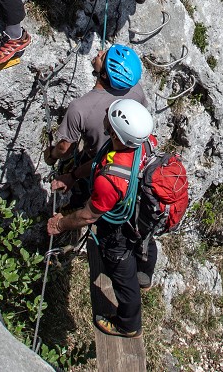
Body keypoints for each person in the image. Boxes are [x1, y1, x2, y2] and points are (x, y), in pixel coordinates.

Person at [46, 98, 158, 339]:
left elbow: (88, 216)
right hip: (144, 214)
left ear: (117, 133)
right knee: (146, 240)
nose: (106, 111)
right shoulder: (143, 143)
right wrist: (74, 175)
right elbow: (100, 161)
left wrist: (60, 224)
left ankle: (129, 324)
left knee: (121, 272)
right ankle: (146, 277)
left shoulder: (109, 181)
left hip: (120, 228)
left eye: (111, 115)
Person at [47, 44, 148, 206]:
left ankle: (75, 205)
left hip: (98, 167)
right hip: (127, 159)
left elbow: (65, 148)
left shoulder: (80, 108)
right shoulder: (135, 89)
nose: (99, 52)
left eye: (102, 57)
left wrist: (51, 156)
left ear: (105, 75)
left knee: (84, 194)